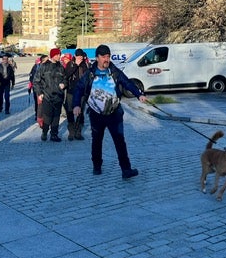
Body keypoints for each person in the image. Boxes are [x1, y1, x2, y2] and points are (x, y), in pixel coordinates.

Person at [73, 44, 148, 179]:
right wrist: (76, 105)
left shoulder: (114, 71)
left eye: (108, 56)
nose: (106, 59)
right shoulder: (90, 74)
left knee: (120, 142)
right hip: (96, 114)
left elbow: (127, 83)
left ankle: (126, 170)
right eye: (103, 57)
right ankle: (97, 167)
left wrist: (139, 94)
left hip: (114, 113)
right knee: (97, 141)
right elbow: (78, 89)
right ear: (97, 58)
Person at [33, 48, 65, 142]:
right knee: (47, 117)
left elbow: (65, 79)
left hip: (58, 96)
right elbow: (36, 81)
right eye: (57, 55)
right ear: (52, 55)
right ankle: (45, 132)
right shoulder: (43, 66)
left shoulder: (60, 67)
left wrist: (64, 84)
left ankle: (54, 134)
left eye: (59, 54)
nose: (59, 56)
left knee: (56, 117)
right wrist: (40, 93)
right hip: (47, 96)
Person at [64, 48, 89, 140]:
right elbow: (66, 75)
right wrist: (75, 65)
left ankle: (78, 131)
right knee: (70, 111)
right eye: (78, 57)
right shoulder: (70, 64)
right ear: (75, 56)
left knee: (80, 112)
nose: (80, 59)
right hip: (71, 91)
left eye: (81, 57)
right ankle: (71, 131)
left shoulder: (85, 65)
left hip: (82, 93)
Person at [28, 55, 45, 121]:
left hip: (37, 87)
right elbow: (31, 77)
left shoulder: (35, 67)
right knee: (39, 102)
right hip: (38, 87)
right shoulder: (37, 67)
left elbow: (31, 77)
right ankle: (39, 115)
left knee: (38, 102)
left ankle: (38, 115)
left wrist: (30, 84)